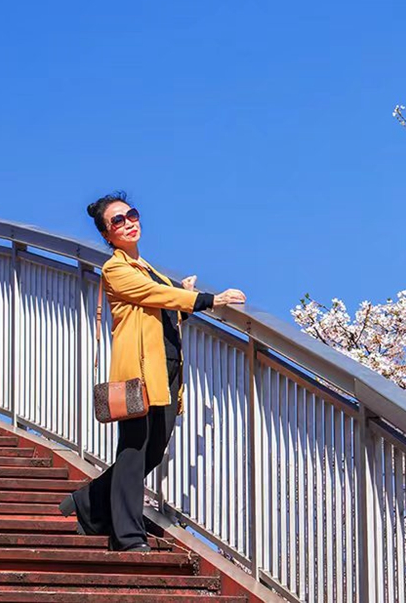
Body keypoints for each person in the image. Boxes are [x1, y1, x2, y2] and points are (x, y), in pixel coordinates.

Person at [58, 191, 246, 552]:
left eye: (131, 214)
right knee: (133, 450)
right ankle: (127, 536)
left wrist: (184, 297)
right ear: (107, 235)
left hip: (168, 372)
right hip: (140, 374)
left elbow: (166, 306)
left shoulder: (149, 268)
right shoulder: (116, 269)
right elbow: (157, 296)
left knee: (154, 452)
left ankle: (87, 502)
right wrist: (209, 298)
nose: (128, 222)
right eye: (118, 220)